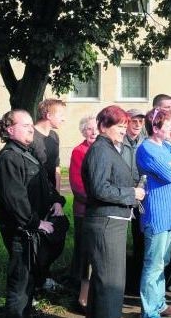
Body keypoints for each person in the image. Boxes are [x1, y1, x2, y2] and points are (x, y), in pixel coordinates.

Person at [0, 109, 66, 318]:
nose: (31, 129)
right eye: (25, 125)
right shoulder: (9, 158)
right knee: (20, 282)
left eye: (31, 124)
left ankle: (26, 312)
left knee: (30, 278)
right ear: (9, 129)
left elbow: (44, 184)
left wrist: (56, 201)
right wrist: (36, 223)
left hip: (32, 230)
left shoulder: (27, 153)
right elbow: (14, 200)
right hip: (21, 232)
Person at [81, 105, 145, 318]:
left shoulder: (107, 148)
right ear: (102, 126)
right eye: (119, 125)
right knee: (111, 285)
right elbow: (100, 188)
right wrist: (131, 193)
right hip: (106, 223)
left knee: (106, 285)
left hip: (111, 222)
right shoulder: (100, 150)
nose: (123, 130)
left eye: (125, 125)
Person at [136, 108, 171, 318]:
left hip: (170, 214)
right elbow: (169, 175)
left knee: (163, 261)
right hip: (157, 215)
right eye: (167, 124)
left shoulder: (167, 145)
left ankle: (159, 304)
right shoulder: (146, 149)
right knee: (153, 263)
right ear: (156, 127)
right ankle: (149, 311)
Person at [69, 114, 98, 309]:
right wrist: (98, 201)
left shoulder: (104, 149)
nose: (93, 132)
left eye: (96, 128)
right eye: (89, 129)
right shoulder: (79, 151)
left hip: (100, 211)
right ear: (83, 131)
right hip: (85, 210)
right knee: (84, 252)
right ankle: (81, 294)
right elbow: (77, 184)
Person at [120, 108, 146, 294]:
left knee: (140, 241)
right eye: (133, 121)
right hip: (121, 197)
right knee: (119, 242)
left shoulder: (144, 142)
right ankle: (120, 283)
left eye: (140, 121)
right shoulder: (119, 141)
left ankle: (135, 284)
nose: (137, 125)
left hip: (140, 198)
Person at [32, 99, 66, 192]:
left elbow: (56, 167)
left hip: (51, 195)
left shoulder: (54, 136)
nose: (63, 119)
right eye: (61, 115)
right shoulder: (30, 136)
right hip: (34, 195)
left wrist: (57, 196)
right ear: (48, 116)